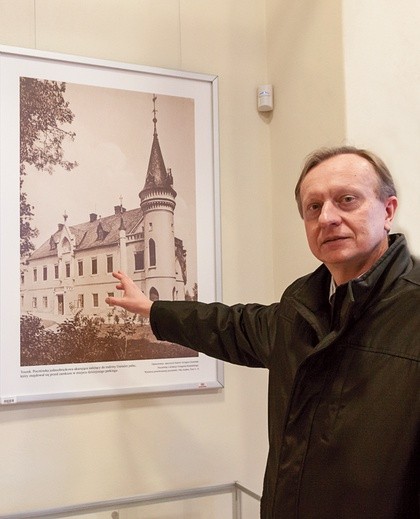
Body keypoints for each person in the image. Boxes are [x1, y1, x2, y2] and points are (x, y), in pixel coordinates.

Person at [106, 146, 420, 518]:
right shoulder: (300, 307)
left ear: (388, 211)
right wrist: (153, 308)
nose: (328, 218)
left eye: (347, 200)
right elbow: (229, 326)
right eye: (313, 207)